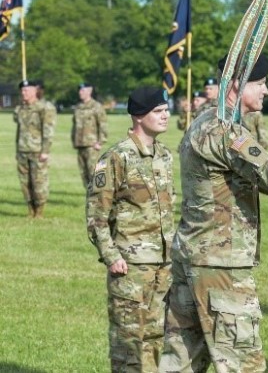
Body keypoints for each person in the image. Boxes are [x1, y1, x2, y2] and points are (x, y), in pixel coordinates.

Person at [158, 54, 268, 373]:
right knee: (243, 364)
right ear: (238, 84)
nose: (266, 90)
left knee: (180, 364)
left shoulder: (205, 122)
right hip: (220, 267)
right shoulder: (226, 132)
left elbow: (259, 180)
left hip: (194, 258)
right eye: (261, 83)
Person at [86, 87, 175, 371]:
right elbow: (96, 215)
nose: (165, 116)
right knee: (128, 344)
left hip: (163, 265)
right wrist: (112, 257)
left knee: (156, 337)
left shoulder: (164, 155)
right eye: (158, 112)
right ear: (139, 116)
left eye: (166, 110)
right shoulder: (115, 157)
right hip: (130, 266)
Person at [14, 79, 56, 218]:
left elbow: (48, 131)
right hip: (22, 150)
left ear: (34, 91)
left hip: (37, 151)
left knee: (39, 182)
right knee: (25, 182)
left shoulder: (44, 107)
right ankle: (30, 209)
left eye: (26, 90)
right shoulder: (21, 108)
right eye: (22, 90)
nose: (23, 93)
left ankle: (39, 211)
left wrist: (45, 151)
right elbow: (17, 123)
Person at [72, 82, 108, 187]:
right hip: (80, 144)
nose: (80, 92)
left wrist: (100, 142)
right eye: (79, 90)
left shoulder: (96, 106)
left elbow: (103, 125)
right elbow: (75, 126)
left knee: (94, 172)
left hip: (92, 145)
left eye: (82, 90)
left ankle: (98, 196)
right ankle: (89, 195)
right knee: (84, 173)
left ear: (89, 91)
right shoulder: (78, 107)